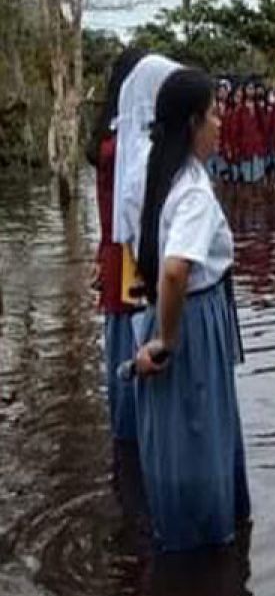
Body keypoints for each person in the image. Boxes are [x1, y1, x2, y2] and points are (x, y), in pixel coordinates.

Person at [132, 67, 251, 553]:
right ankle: (206, 554)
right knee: (199, 433)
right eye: (214, 114)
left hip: (170, 311)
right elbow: (177, 270)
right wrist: (169, 338)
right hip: (191, 319)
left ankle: (178, 545)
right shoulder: (195, 193)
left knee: (174, 436)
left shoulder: (163, 174)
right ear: (192, 125)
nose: (221, 123)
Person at [87, 47, 147, 444]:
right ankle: (133, 435)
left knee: (119, 340)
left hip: (112, 252)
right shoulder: (127, 139)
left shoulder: (108, 133)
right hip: (128, 255)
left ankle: (124, 437)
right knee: (132, 341)